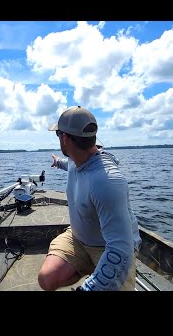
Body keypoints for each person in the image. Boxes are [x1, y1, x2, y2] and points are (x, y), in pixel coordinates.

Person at [38, 105, 142, 291]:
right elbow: (69, 164)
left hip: (112, 248)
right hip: (78, 239)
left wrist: (88, 288)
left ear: (65, 139)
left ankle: (97, 270)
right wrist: (57, 162)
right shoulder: (74, 158)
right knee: (47, 279)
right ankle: (92, 268)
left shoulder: (107, 181)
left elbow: (120, 248)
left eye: (58, 134)